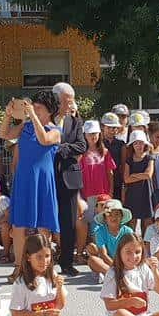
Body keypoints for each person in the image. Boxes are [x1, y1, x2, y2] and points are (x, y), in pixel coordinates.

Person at [0, 91, 62, 280]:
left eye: (39, 108)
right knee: (19, 224)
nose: (35, 110)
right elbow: (4, 134)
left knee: (43, 226)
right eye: (34, 106)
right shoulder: (25, 127)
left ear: (50, 111)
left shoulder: (55, 131)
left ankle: (42, 268)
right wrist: (8, 114)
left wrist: (33, 117)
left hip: (43, 181)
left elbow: (44, 140)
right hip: (25, 179)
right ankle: (19, 267)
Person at [10, 233, 97, 316]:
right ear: (28, 257)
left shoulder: (52, 274)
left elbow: (60, 306)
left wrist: (60, 287)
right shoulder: (21, 282)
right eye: (39, 257)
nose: (44, 261)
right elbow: (15, 314)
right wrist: (42, 314)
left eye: (47, 256)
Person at [51, 82, 87, 277]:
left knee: (69, 222)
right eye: (67, 101)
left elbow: (82, 146)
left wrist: (62, 148)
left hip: (70, 178)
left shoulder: (75, 122)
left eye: (71, 101)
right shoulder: (45, 119)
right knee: (45, 222)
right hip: (48, 176)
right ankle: (44, 263)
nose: (70, 105)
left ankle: (67, 262)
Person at [86, 198, 135, 282]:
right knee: (92, 260)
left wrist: (123, 266)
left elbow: (131, 252)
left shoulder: (128, 231)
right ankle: (116, 275)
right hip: (108, 263)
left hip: (124, 262)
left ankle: (113, 275)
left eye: (116, 214)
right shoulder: (100, 231)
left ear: (122, 216)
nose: (113, 217)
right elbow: (103, 254)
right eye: (110, 215)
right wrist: (116, 268)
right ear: (105, 218)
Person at [123, 129, 154, 228]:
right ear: (132, 145)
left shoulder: (149, 158)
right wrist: (141, 175)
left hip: (146, 192)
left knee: (147, 221)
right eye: (136, 143)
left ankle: (146, 243)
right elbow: (126, 179)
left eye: (141, 143)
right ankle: (132, 242)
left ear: (145, 144)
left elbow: (148, 175)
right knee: (132, 220)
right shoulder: (129, 160)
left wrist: (134, 175)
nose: (138, 146)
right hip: (132, 193)